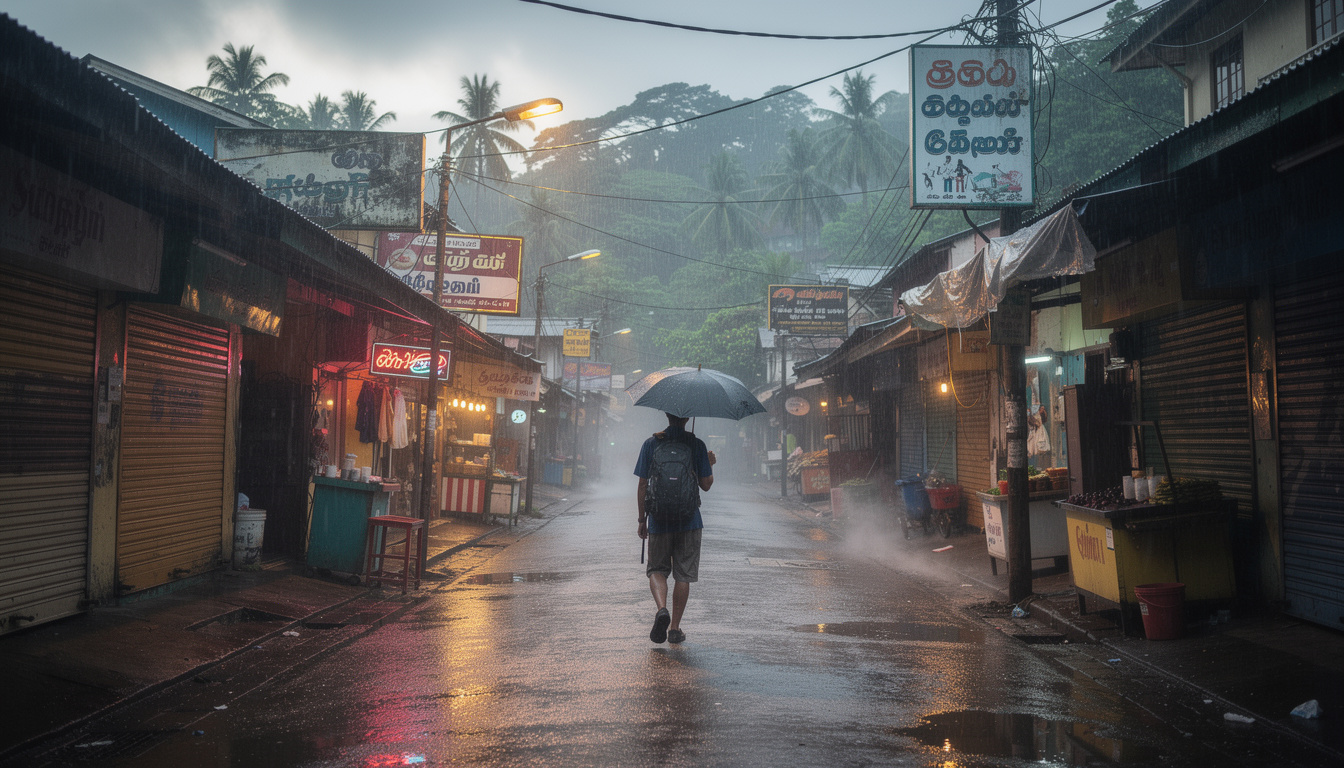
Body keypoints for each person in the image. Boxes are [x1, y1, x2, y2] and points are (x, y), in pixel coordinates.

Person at [635, 412, 715, 645]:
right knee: (684, 574)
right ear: (687, 419)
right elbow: (706, 485)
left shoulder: (651, 443)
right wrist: (709, 464)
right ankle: (674, 628)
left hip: (659, 519)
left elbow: (642, 484)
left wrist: (642, 519)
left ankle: (662, 609)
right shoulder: (696, 444)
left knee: (657, 570)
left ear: (667, 416)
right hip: (689, 520)